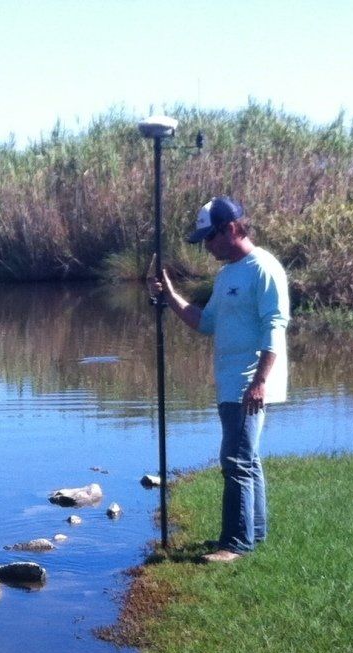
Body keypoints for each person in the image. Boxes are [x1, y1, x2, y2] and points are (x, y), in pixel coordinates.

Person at [148, 196, 291, 562]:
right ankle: (253, 535)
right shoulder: (229, 272)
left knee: (236, 461)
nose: (206, 247)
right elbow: (206, 322)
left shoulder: (264, 268)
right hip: (231, 383)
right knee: (247, 459)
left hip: (249, 383)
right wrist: (170, 296)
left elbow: (275, 326)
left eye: (209, 238)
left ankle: (235, 545)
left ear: (230, 229)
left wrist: (260, 381)